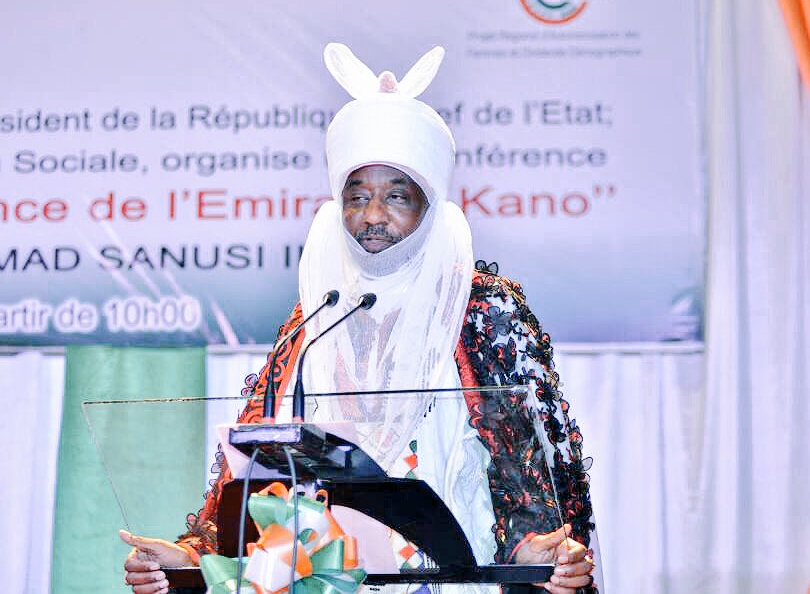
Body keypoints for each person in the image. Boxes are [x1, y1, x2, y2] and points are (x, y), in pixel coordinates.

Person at [121, 43, 597, 594]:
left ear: (429, 206)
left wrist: (536, 553)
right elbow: (259, 462)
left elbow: (529, 466)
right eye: (357, 196)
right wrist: (193, 557)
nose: (372, 215)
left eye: (396, 196)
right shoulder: (319, 315)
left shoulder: (480, 311)